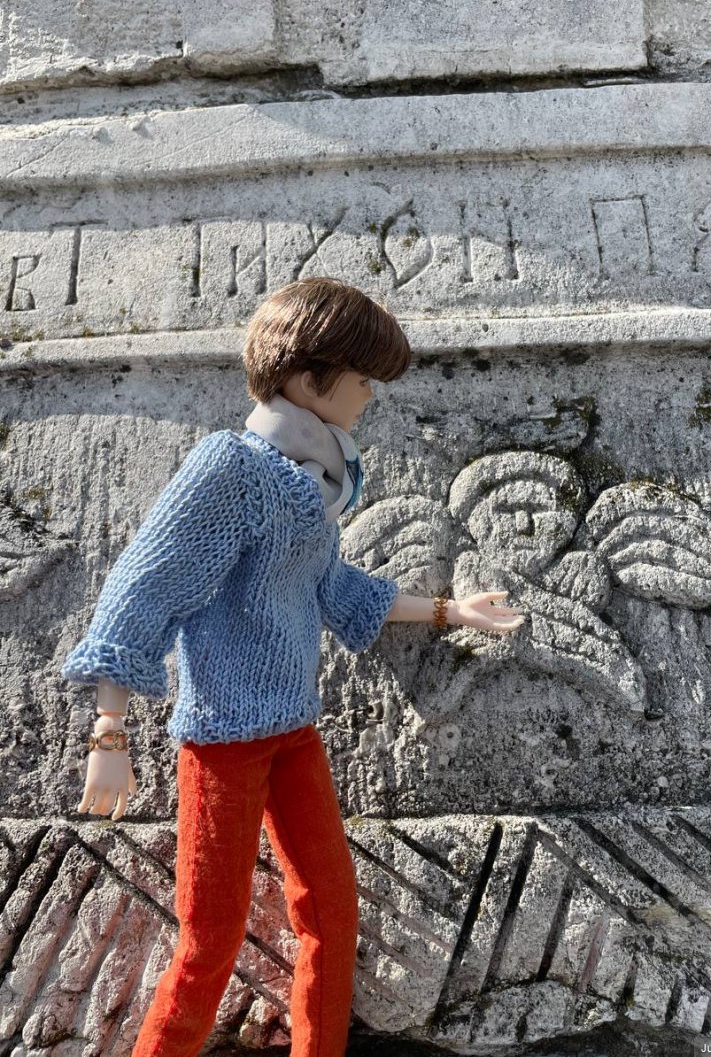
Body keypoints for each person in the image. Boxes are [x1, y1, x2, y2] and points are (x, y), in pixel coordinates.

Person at [61, 277, 525, 1057]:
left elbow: (332, 587)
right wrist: (110, 733)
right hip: (222, 744)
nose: (372, 395)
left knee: (332, 911)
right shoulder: (231, 470)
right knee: (211, 938)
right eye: (363, 377)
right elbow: (144, 587)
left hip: (292, 735)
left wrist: (450, 610)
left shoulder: (311, 484)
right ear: (311, 379)